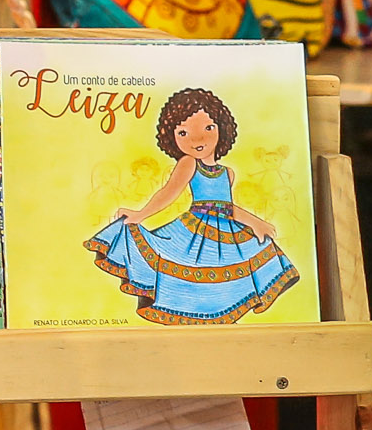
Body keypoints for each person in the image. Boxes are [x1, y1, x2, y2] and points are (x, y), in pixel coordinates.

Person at [86, 88, 301, 325]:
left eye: (208, 128)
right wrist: (141, 214)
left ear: (222, 128)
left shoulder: (227, 173)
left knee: (251, 257)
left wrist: (256, 222)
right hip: (193, 231)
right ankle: (193, 316)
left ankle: (233, 310)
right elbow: (169, 192)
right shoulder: (188, 163)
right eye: (184, 132)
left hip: (226, 232)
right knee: (190, 274)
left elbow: (228, 207)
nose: (197, 140)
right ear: (173, 137)